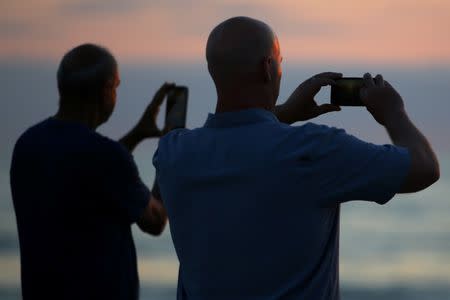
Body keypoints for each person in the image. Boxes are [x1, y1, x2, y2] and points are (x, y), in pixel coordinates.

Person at [153, 16, 440, 299]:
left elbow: (236, 141)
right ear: (268, 68)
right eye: (280, 61)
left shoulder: (173, 153)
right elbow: (425, 168)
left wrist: (283, 114)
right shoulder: (314, 149)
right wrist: (393, 112)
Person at [10, 44, 170, 300]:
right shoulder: (105, 158)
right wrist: (168, 155)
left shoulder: (27, 145)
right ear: (106, 89)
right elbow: (155, 220)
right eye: (117, 85)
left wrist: (138, 134)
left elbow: (87, 169)